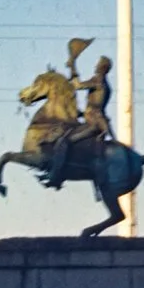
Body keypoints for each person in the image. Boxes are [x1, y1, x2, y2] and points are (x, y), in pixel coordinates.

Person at [44, 55, 113, 190]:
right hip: (95, 120)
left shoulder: (97, 80)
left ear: (102, 68)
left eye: (98, 64)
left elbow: (77, 85)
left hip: (93, 124)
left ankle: (56, 177)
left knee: (64, 141)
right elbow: (95, 105)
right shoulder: (105, 83)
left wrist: (72, 66)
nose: (95, 66)